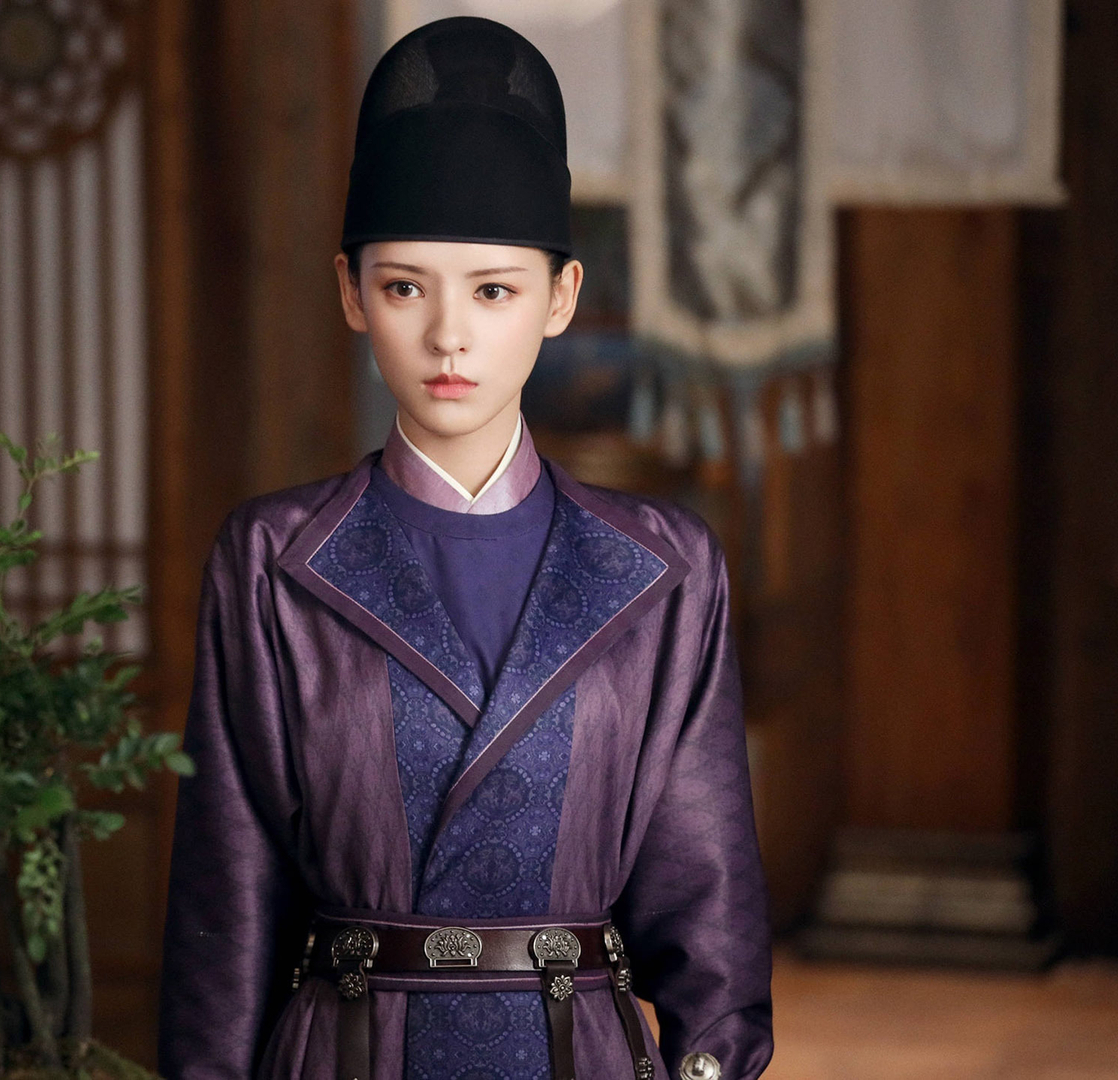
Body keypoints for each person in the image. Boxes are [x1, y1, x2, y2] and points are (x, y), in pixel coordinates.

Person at [158, 16, 772, 1080]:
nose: (449, 335)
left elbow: (704, 897)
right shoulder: (272, 560)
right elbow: (228, 900)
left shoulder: (663, 569)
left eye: (494, 290)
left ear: (560, 298)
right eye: (405, 287)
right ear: (352, 293)